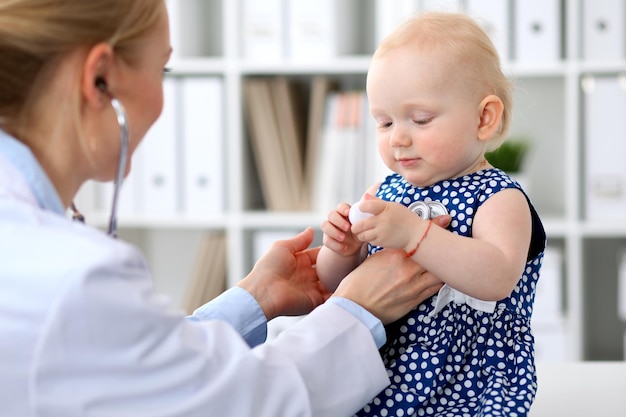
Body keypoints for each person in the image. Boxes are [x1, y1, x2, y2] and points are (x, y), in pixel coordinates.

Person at [0, 1, 449, 416]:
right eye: (163, 69)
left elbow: (138, 366)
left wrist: (254, 299)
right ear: (100, 80)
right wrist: (357, 308)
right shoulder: (68, 275)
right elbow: (242, 404)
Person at [317, 12, 547, 417]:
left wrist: (414, 235)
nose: (398, 137)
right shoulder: (385, 191)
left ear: (483, 118)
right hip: (386, 366)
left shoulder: (499, 198)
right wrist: (342, 249)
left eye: (420, 119)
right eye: (384, 122)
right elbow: (337, 286)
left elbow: (496, 278)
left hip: (472, 374)